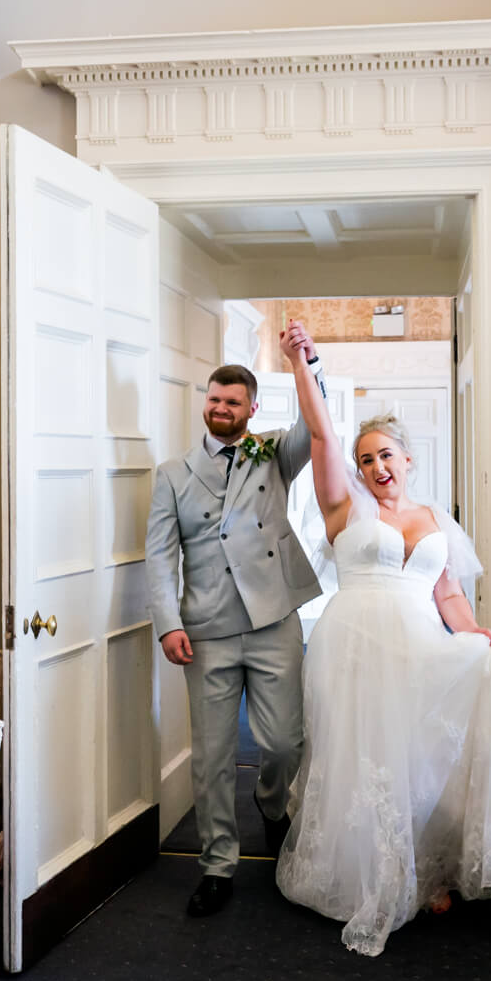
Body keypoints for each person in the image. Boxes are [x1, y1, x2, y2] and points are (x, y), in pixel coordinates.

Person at [272, 325, 491, 956]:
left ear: (408, 459)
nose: (376, 467)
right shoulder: (344, 506)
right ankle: (366, 877)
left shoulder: (434, 521)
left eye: (386, 456)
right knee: (365, 757)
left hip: (421, 646)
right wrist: (305, 363)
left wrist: (477, 635)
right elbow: (322, 433)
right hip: (355, 644)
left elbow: (448, 594)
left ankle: (420, 866)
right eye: (367, 457)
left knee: (418, 758)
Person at [145, 334, 326, 918]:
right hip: (206, 630)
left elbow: (318, 427)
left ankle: (273, 807)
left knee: (282, 744)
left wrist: (305, 360)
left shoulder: (275, 453)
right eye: (214, 400)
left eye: (232, 402)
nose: (220, 409)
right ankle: (218, 865)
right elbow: (158, 556)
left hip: (273, 620)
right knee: (214, 755)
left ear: (252, 408)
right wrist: (168, 623)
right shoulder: (173, 474)